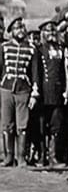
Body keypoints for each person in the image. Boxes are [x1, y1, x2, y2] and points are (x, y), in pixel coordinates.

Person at [31, 21, 68, 167]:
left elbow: (65, 72)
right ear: (42, 33)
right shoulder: (39, 49)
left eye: (53, 31)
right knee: (42, 127)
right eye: (48, 31)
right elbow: (36, 73)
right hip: (43, 93)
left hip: (58, 93)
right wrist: (35, 92)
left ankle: (54, 157)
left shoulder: (62, 49)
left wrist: (66, 91)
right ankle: (41, 157)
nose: (51, 34)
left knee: (56, 126)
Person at [0, 17, 39, 166]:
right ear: (11, 31)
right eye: (17, 28)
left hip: (23, 90)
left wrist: (34, 93)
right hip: (6, 88)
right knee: (7, 125)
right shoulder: (4, 47)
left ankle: (21, 157)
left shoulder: (31, 49)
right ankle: (9, 157)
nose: (20, 31)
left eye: (22, 27)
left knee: (22, 125)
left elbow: (35, 73)